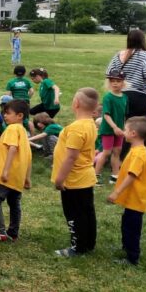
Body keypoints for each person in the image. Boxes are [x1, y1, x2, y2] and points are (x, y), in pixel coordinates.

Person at [52, 87, 100, 257]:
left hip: (73, 180)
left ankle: (77, 248)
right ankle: (88, 244)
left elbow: (71, 157)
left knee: (74, 214)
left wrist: (60, 179)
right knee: (87, 212)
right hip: (85, 177)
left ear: (76, 103)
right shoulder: (91, 123)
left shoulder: (76, 128)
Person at [107, 117, 146, 266]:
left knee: (132, 229)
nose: (123, 132)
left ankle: (132, 257)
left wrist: (117, 192)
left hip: (137, 199)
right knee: (126, 224)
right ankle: (126, 247)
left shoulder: (139, 154)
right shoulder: (136, 150)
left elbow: (132, 175)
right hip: (132, 199)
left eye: (125, 130)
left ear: (133, 133)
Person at [0, 99, 32, 242]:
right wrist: (27, 178)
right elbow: (28, 156)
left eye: (8, 113)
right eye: (4, 113)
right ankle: (13, 232)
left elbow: (12, 148)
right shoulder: (23, 132)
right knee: (14, 203)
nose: (4, 115)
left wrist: (5, 171)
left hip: (8, 174)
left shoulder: (12, 128)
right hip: (18, 176)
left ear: (20, 116)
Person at [105, 30, 146, 158]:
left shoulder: (119, 55)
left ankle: (118, 154)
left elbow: (109, 72)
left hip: (120, 94)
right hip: (139, 95)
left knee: (124, 124)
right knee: (138, 126)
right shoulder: (145, 55)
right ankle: (136, 155)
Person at [94, 70, 128, 185]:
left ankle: (115, 175)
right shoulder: (108, 97)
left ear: (123, 82)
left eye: (118, 81)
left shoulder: (125, 97)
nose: (115, 83)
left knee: (117, 151)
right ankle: (95, 176)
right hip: (108, 129)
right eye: (112, 81)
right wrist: (114, 127)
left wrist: (124, 127)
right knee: (106, 152)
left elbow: (124, 114)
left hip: (119, 129)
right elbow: (106, 115)